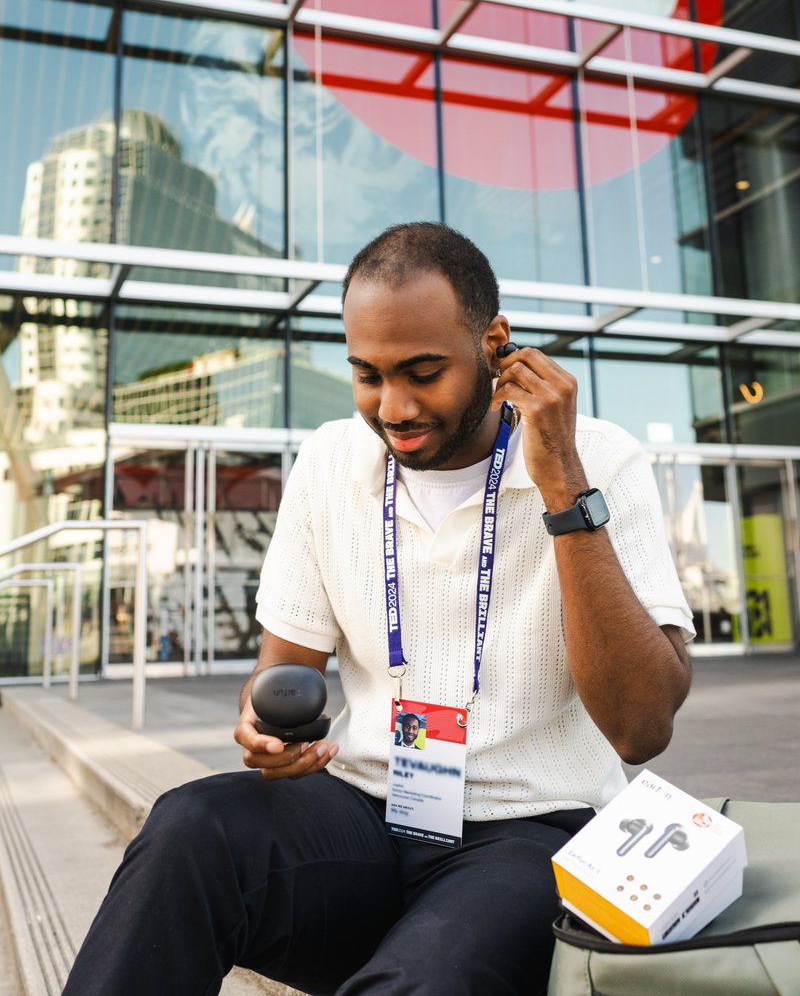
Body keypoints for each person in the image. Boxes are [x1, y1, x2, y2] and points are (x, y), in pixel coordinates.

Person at [63, 222, 694, 996]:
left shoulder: (600, 460)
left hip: (531, 832)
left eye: (423, 373)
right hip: (361, 811)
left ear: (495, 345)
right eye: (367, 374)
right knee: (189, 828)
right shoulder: (332, 460)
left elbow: (641, 727)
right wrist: (265, 729)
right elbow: (282, 669)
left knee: (426, 975)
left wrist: (563, 484)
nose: (393, 407)